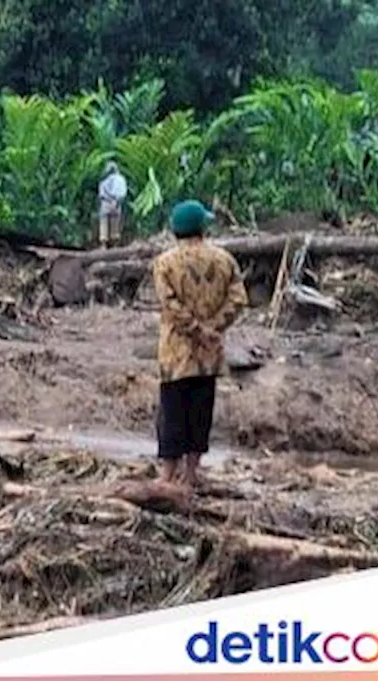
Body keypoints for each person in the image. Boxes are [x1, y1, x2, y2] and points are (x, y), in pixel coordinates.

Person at [150, 200, 248, 488]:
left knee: (172, 411)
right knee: (200, 410)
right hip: (209, 354)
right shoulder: (224, 259)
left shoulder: (165, 263)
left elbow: (169, 304)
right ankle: (192, 472)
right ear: (202, 227)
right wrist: (213, 328)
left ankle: (168, 474)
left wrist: (194, 328)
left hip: (176, 352)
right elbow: (239, 299)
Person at [98, 161, 128, 247]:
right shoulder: (121, 179)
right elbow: (123, 193)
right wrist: (116, 201)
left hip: (105, 203)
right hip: (117, 203)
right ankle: (115, 244)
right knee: (115, 223)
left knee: (104, 222)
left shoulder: (103, 180)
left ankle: (103, 244)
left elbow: (101, 194)